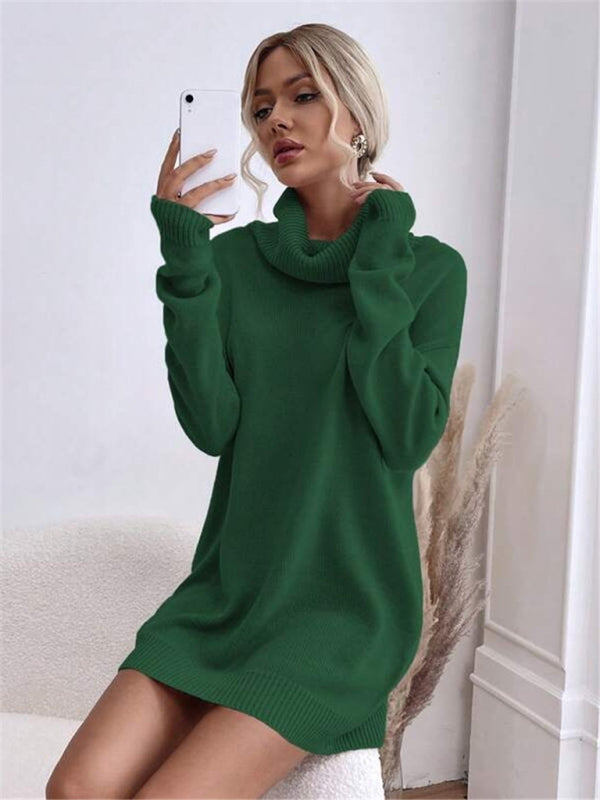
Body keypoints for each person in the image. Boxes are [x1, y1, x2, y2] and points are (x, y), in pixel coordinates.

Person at [46, 22, 467, 800]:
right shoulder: (235, 264)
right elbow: (211, 426)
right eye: (261, 106)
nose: (277, 121)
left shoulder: (431, 270)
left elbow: (407, 433)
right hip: (227, 596)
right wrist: (185, 260)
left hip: (342, 618)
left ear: (357, 111)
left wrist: (379, 259)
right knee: (75, 789)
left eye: (303, 96)